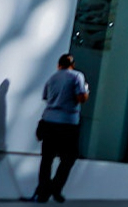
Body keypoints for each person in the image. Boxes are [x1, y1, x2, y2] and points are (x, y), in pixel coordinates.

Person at [31, 53, 89, 203]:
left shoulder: (52, 78)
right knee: (69, 157)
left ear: (59, 65)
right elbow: (81, 98)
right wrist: (86, 91)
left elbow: (46, 98)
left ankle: (43, 192)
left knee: (47, 159)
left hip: (49, 121)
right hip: (67, 124)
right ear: (73, 65)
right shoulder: (77, 76)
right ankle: (55, 187)